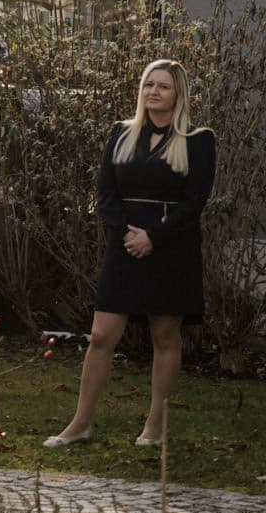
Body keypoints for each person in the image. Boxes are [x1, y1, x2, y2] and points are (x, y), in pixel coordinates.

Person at [47, 60, 216, 449]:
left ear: (178, 94)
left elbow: (195, 202)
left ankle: (155, 426)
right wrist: (126, 234)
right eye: (148, 85)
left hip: (171, 245)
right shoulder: (120, 133)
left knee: (164, 334)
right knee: (102, 335)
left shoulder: (198, 139)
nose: (153, 92)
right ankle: (81, 423)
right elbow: (104, 191)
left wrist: (154, 237)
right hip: (123, 244)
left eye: (163, 87)